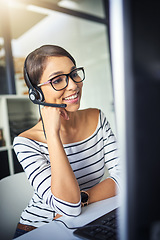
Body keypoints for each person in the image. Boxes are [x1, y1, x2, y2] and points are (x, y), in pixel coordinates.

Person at [13, 45, 120, 238]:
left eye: (73, 74)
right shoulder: (25, 143)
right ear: (36, 94)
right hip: (40, 230)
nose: (73, 85)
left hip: (88, 218)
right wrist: (53, 135)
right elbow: (69, 207)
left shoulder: (97, 118)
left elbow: (126, 177)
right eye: (58, 80)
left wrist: (83, 198)